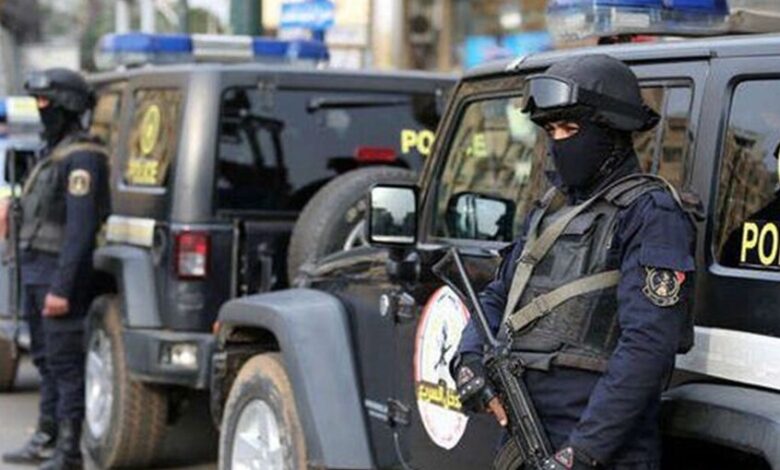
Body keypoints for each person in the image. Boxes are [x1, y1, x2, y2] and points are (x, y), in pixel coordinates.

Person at [452, 54, 696, 470]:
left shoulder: (650, 213)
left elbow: (647, 347)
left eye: (570, 129)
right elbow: (498, 296)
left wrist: (582, 452)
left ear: (612, 131)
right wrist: (468, 358)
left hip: (600, 450)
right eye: (551, 130)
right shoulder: (552, 208)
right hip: (524, 434)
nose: (558, 142)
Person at [1, 68, 109, 470]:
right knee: (46, 360)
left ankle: (69, 451)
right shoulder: (54, 153)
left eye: (45, 103)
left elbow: (80, 232)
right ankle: (45, 438)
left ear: (67, 106)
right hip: (35, 271)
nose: (40, 110)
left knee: (65, 366)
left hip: (56, 275)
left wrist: (62, 288)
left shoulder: (83, 157)